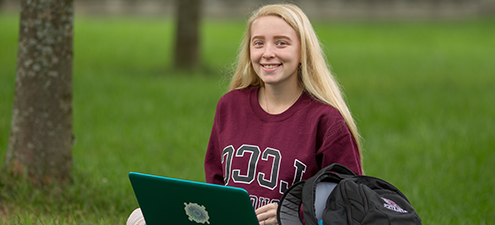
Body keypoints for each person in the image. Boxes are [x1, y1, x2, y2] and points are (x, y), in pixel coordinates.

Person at [127, 4, 362, 225]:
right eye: (258, 43)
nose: (267, 53)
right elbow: (216, 181)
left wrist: (292, 213)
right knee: (139, 217)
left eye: (281, 43)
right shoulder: (230, 105)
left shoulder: (327, 120)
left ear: (303, 51)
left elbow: (349, 200)